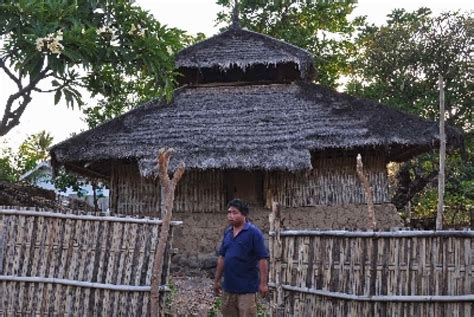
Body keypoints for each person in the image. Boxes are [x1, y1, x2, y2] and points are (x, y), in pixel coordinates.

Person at [214, 199, 269, 316]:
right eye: (229, 212)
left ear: (244, 214)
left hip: (247, 290)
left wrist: (263, 284)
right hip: (228, 288)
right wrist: (217, 280)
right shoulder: (228, 233)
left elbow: (262, 259)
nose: (230, 216)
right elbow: (222, 257)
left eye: (234, 212)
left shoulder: (254, 233)